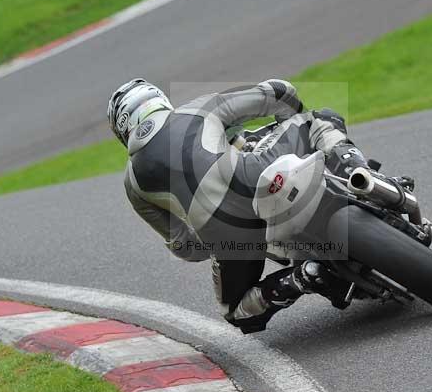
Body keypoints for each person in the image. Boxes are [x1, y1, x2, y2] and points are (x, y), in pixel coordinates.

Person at [108, 78, 372, 333]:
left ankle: (302, 277)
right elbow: (276, 92)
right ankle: (359, 173)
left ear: (123, 130)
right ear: (159, 101)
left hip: (226, 235)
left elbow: (184, 246)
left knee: (235, 311)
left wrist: (212, 239)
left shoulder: (132, 185)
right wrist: (291, 113)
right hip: (255, 176)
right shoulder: (198, 109)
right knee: (321, 118)